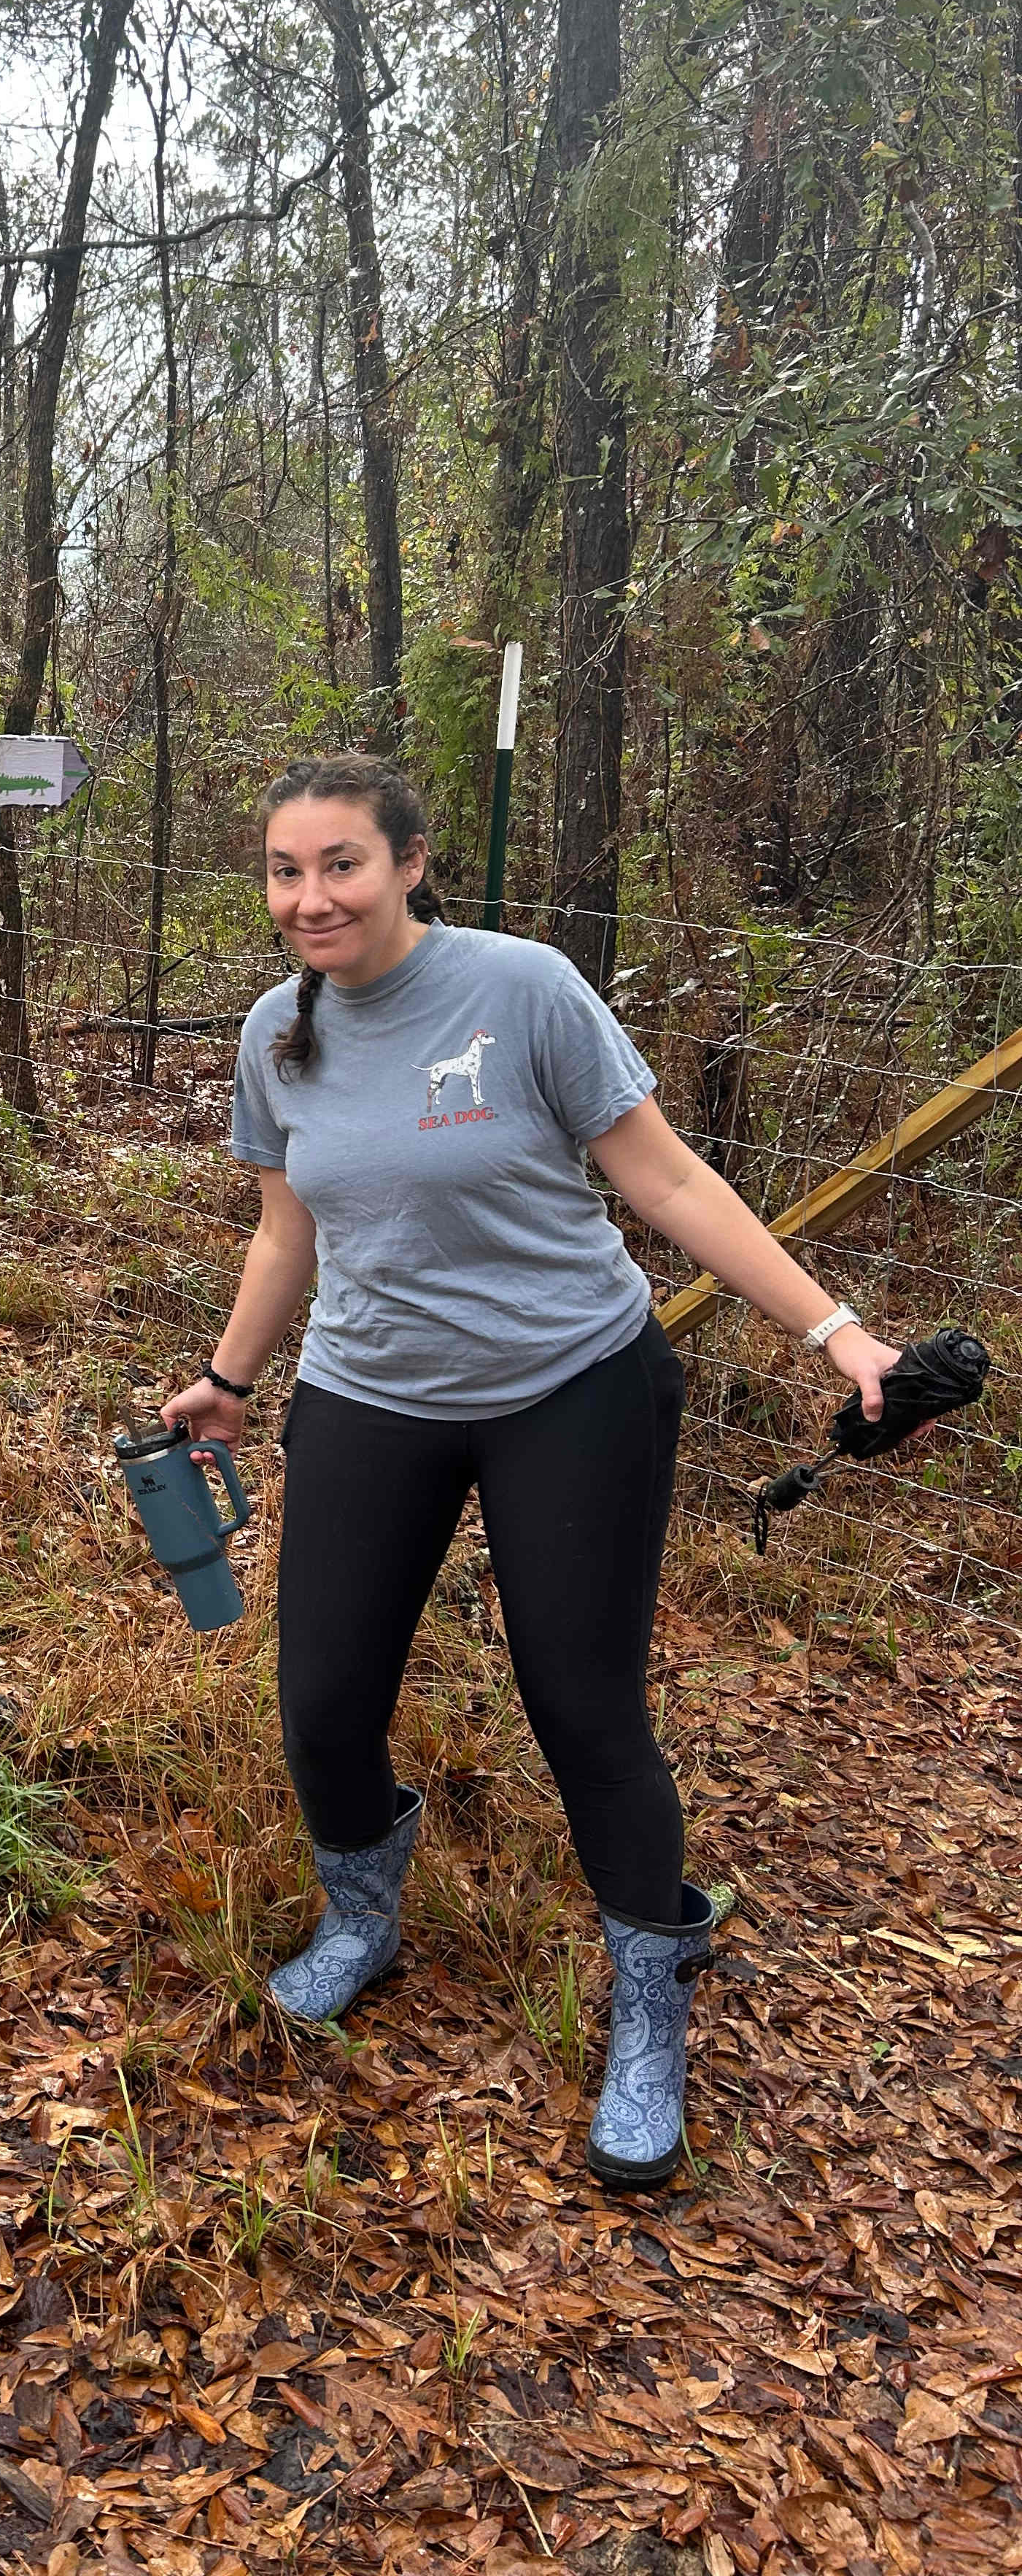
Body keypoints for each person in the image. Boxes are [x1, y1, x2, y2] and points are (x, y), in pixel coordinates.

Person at [163, 755, 898, 2187]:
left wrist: (833, 1329)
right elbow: (281, 1231)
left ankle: (650, 1988)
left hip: (572, 1383)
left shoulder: (526, 992)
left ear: (412, 862)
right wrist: (231, 1379)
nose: (311, 898)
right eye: (285, 871)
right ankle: (364, 1916)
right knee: (319, 1704)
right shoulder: (276, 1034)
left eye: (342, 866)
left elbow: (668, 1179)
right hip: (373, 1390)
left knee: (581, 1698)